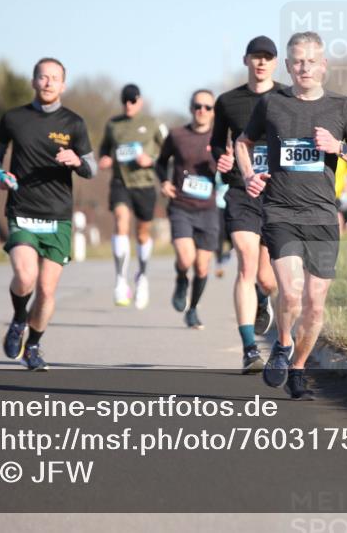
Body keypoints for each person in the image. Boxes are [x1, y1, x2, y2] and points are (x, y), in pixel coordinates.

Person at [237, 31, 347, 399]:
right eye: (298, 61)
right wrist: (249, 174)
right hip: (280, 211)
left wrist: (339, 147)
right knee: (293, 292)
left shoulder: (342, 107)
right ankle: (282, 345)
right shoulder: (272, 104)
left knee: (315, 305)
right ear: (288, 65)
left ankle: (298, 365)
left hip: (323, 217)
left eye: (312, 61)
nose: (305, 67)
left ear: (324, 65)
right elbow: (242, 143)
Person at [0, 57, 97, 371]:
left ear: (64, 84)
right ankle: (19, 320)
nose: (48, 82)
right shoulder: (14, 118)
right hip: (22, 209)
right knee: (25, 276)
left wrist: (76, 161)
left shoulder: (73, 123)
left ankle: (33, 345)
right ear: (34, 81)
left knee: (47, 289)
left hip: (57, 215)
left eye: (54, 78)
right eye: (42, 77)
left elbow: (90, 169)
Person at [211, 36, 286, 373]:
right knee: (245, 261)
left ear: (275, 62)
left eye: (267, 57)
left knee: (268, 280)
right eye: (256, 57)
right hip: (242, 191)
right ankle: (249, 350)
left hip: (280, 193)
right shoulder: (228, 101)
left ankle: (262, 296)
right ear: (246, 61)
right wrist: (222, 159)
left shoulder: (287, 97)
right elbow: (216, 145)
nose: (261, 62)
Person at [97, 84, 167, 308]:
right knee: (120, 221)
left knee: (142, 232)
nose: (128, 104)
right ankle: (120, 279)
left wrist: (152, 159)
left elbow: (168, 150)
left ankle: (142, 276)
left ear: (140, 101)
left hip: (145, 184)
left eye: (133, 100)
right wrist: (105, 160)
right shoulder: (113, 125)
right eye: (125, 100)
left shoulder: (152, 123)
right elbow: (104, 151)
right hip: (121, 182)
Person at [155, 89, 219, 329]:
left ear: (214, 112)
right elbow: (160, 162)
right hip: (181, 206)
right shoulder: (177, 135)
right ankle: (181, 278)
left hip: (208, 209)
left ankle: (192, 310)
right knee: (186, 257)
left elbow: (232, 169)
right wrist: (164, 181)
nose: (202, 111)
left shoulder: (220, 139)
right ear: (191, 108)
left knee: (202, 266)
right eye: (197, 106)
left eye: (207, 107)